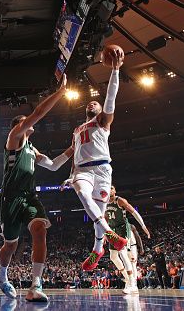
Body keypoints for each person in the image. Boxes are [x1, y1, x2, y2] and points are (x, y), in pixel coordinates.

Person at [0, 74, 74, 302]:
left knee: (40, 229)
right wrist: (60, 92)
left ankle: (35, 285)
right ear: (19, 126)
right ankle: (2, 276)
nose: (28, 123)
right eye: (24, 121)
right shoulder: (14, 138)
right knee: (11, 245)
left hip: (29, 197)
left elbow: (53, 166)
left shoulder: (32, 149)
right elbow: (38, 114)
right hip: (10, 199)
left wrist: (72, 148)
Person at [61, 50, 127, 271]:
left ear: (101, 111)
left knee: (97, 212)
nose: (92, 104)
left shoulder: (103, 121)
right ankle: (109, 234)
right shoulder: (77, 129)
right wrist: (70, 176)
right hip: (82, 171)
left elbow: (110, 98)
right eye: (89, 104)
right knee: (81, 192)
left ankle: (98, 249)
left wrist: (115, 71)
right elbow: (75, 155)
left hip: (102, 170)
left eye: (95, 104)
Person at [105, 185, 151, 295]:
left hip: (122, 228)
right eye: (107, 188)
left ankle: (132, 284)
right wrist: (104, 235)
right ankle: (127, 278)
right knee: (113, 257)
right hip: (112, 230)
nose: (109, 190)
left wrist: (143, 225)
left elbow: (133, 212)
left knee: (123, 253)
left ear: (115, 190)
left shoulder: (119, 200)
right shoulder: (104, 204)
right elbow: (105, 220)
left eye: (111, 188)